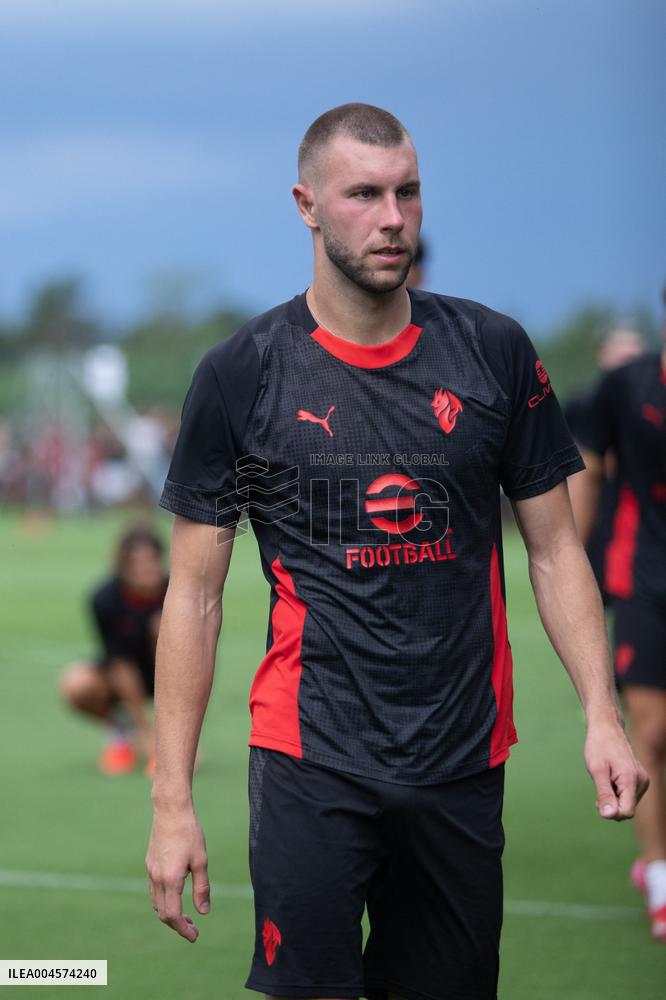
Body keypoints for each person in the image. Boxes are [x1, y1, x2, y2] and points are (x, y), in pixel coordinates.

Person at [146, 103, 648, 999]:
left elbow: (555, 550)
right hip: (311, 756)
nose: (393, 219)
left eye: (408, 193)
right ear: (306, 204)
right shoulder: (243, 373)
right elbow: (195, 597)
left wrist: (602, 717)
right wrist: (172, 802)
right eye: (364, 195)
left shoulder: (493, 353)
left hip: (462, 758)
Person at [569, 311, 666, 942]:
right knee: (652, 732)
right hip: (644, 582)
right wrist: (571, 558)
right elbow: (586, 463)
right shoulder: (627, 385)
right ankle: (659, 879)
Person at [59, 524, 167, 776]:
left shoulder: (176, 591)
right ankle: (123, 733)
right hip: (122, 675)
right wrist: (145, 733)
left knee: (161, 625)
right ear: (123, 565)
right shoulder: (105, 598)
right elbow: (121, 664)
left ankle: (174, 741)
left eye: (151, 560)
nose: (145, 569)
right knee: (76, 683)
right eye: (136, 563)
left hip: (166, 673)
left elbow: (193, 663)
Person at [565, 326, 644, 600]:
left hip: (636, 509)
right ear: (603, 355)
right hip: (594, 503)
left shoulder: (652, 404)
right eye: (621, 359)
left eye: (634, 359)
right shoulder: (583, 402)